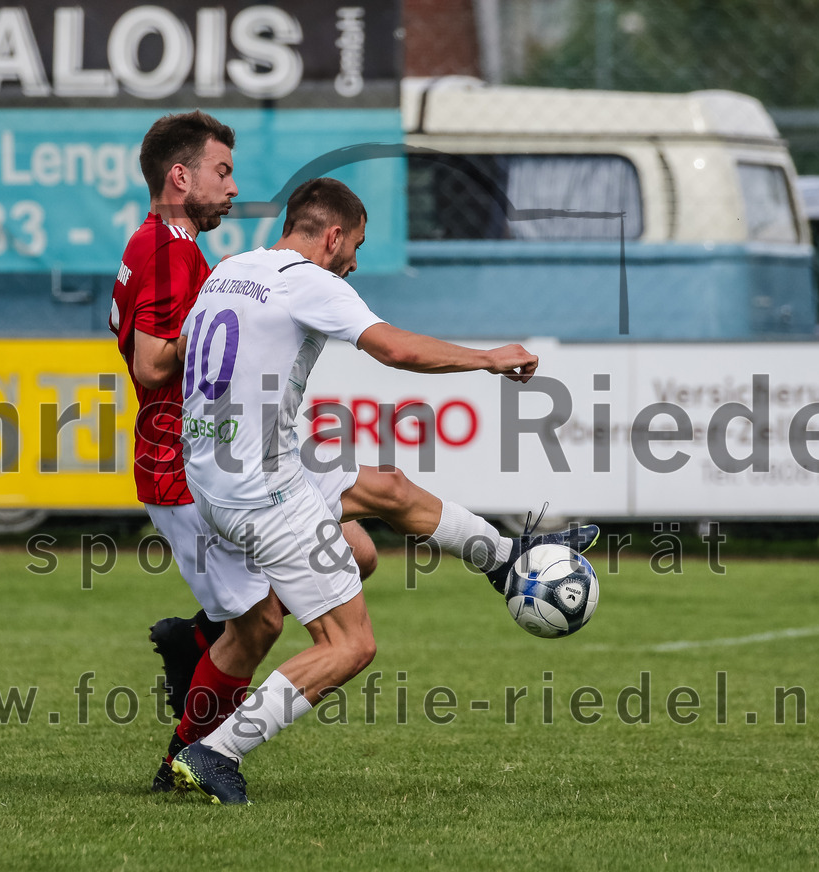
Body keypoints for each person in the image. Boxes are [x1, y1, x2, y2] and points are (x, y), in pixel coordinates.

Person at [170, 177, 598, 804]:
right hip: (261, 489)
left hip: (220, 469)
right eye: (356, 247)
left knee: (389, 488)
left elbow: (190, 350)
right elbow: (395, 349)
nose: (354, 263)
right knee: (350, 645)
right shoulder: (309, 281)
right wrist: (487, 359)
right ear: (333, 236)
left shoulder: (231, 270)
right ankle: (215, 753)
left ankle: (506, 561)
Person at [109, 113, 377, 792]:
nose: (233, 188)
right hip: (188, 461)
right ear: (180, 177)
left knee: (358, 551)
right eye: (222, 172)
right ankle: (186, 755)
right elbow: (150, 363)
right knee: (258, 625)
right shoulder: (167, 248)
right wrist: (218, 326)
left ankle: (199, 639)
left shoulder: (171, 246)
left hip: (235, 453)